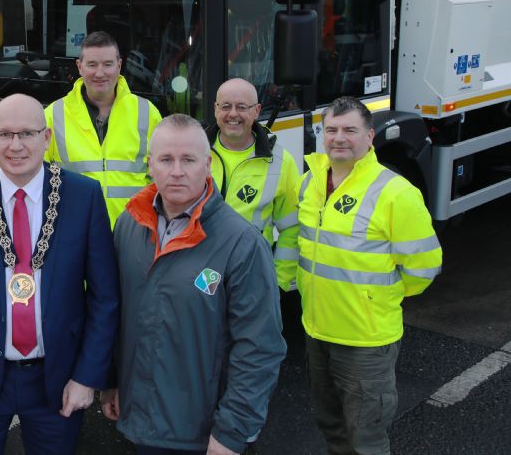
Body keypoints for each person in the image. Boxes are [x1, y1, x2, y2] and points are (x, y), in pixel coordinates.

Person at [0, 93, 120, 454]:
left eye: (27, 134)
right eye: (4, 134)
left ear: (46, 138)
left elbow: (105, 298)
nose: (15, 146)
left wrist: (86, 376)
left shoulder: (83, 196)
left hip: (57, 378)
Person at [101, 114, 286, 455]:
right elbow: (118, 316)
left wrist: (232, 432)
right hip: (141, 421)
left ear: (208, 164)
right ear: (150, 164)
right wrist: (111, 381)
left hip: (204, 434)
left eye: (188, 160)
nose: (176, 171)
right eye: (166, 159)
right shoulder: (128, 225)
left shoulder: (241, 244)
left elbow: (259, 348)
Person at [285, 97, 442, 454]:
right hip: (317, 329)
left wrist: (376, 299)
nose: (339, 138)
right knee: (332, 428)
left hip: (365, 341)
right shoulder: (310, 182)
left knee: (365, 439)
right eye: (332, 130)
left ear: (370, 136)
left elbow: (423, 267)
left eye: (350, 130)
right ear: (321, 135)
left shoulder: (396, 192)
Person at [45, 31, 162, 227]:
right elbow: (37, 178)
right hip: (74, 231)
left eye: (107, 64)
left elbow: (162, 176)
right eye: (92, 65)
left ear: (119, 65)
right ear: (79, 67)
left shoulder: (147, 113)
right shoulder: (51, 115)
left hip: (135, 231)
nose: (100, 73)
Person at [208, 78, 302, 291]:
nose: (233, 114)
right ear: (215, 109)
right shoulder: (194, 152)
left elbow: (292, 228)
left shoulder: (280, 161)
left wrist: (277, 281)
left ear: (257, 110)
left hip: (253, 277)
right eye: (225, 106)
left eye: (242, 107)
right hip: (201, 272)